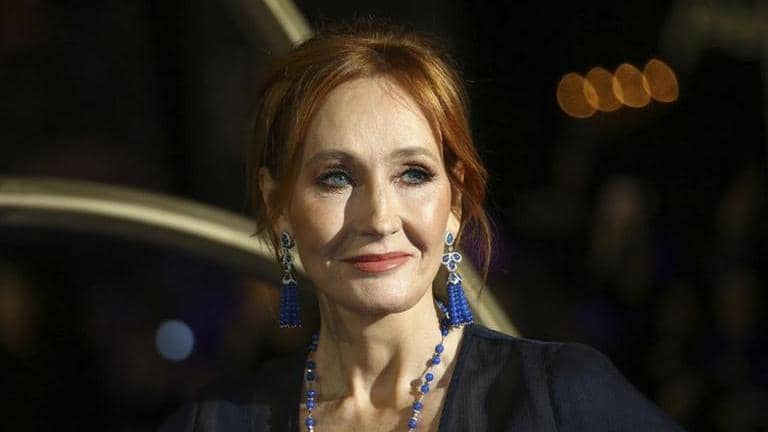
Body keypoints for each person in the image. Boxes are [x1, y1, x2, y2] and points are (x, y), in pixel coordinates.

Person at [160, 19, 686, 432]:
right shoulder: (216, 422)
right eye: (336, 177)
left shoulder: (559, 399)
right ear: (278, 204)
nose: (379, 218)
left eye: (413, 174)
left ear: (454, 200)